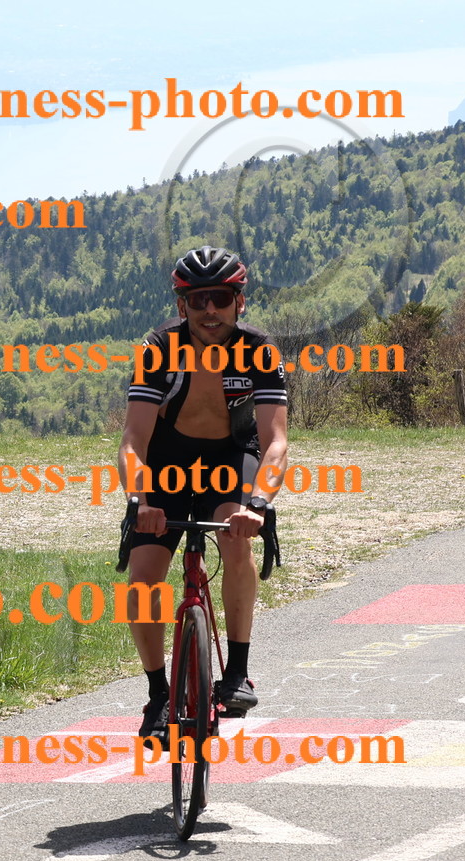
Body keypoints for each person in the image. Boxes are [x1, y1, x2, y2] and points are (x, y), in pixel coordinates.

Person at [118, 246, 290, 740]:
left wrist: (259, 504)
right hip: (166, 463)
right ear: (181, 306)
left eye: (220, 298)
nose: (209, 309)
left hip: (230, 458)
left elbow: (276, 441)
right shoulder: (158, 350)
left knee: (236, 539)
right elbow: (133, 440)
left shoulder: (259, 350)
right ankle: (157, 695)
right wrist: (140, 501)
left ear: (239, 301)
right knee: (143, 578)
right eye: (197, 300)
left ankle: (236, 671)